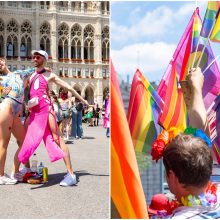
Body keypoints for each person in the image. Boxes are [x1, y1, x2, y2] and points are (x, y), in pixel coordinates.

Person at [150, 67, 220, 218]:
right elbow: (202, 143)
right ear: (208, 168)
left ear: (172, 177)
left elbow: (202, 145)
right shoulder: (217, 196)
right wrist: (196, 89)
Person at [18, 50, 90, 186]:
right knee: (24, 138)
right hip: (34, 111)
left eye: (37, 57)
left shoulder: (49, 74)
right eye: (33, 56)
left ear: (43, 59)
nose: (34, 58)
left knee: (57, 138)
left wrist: (83, 100)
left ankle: (71, 174)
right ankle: (26, 168)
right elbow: (22, 89)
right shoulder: (30, 74)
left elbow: (68, 86)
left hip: (46, 109)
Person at [0, 58, 35, 184]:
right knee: (4, 142)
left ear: (3, 61)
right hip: (6, 106)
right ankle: (1, 175)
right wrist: (1, 93)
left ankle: (17, 171)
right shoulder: (0, 79)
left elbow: (34, 70)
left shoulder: (18, 73)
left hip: (16, 112)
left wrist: (46, 68)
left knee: (25, 142)